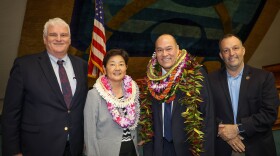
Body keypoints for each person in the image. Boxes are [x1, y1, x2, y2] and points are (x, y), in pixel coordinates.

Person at [2, 17, 88, 156]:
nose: (59, 39)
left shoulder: (81, 65)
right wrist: (13, 151)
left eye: (64, 35)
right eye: (53, 35)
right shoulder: (24, 66)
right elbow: (11, 113)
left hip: (73, 147)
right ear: (44, 39)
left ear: (70, 40)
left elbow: (81, 106)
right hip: (37, 146)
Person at [140, 34, 215, 156]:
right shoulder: (151, 78)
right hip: (160, 149)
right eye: (160, 50)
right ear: (155, 53)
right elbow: (148, 121)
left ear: (178, 49)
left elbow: (208, 117)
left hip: (188, 150)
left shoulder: (194, 74)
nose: (165, 54)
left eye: (169, 49)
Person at [209, 33, 279, 156]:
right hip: (222, 148)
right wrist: (221, 130)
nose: (231, 54)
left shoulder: (264, 78)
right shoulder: (210, 80)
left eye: (235, 48)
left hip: (257, 148)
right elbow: (203, 112)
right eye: (226, 50)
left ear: (243, 50)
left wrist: (237, 128)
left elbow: (270, 114)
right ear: (221, 55)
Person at [84, 49, 140, 156]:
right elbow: (89, 133)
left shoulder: (133, 91)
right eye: (112, 64)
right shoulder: (94, 95)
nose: (117, 68)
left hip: (132, 149)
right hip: (107, 151)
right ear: (105, 68)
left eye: (121, 64)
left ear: (126, 67)